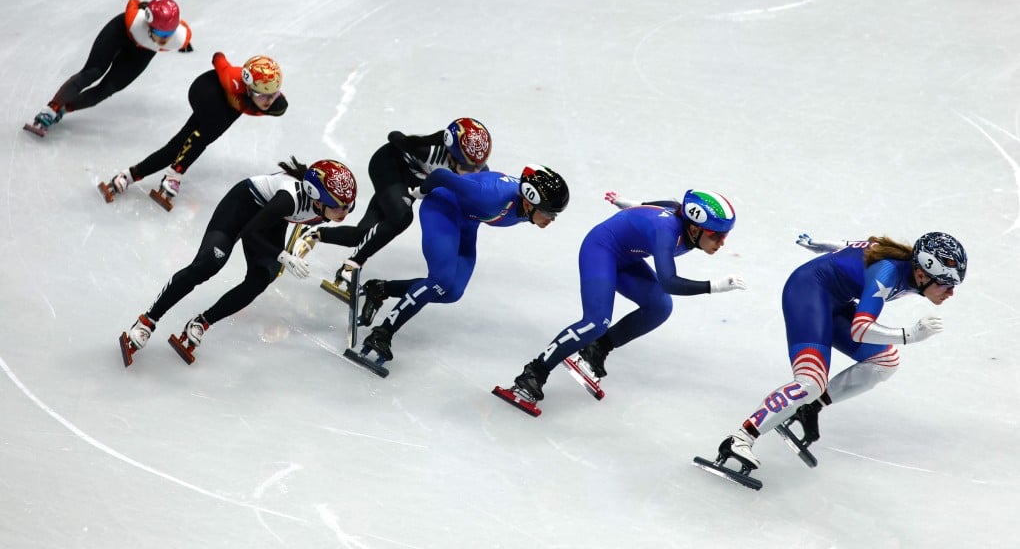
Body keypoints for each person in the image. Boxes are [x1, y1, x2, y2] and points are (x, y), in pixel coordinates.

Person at [712, 231, 967, 474]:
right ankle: (739, 439)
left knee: (885, 361)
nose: (951, 293)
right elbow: (860, 329)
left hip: (835, 300)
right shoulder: (888, 272)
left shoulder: (908, 265)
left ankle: (810, 407)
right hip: (807, 293)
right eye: (946, 285)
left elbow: (861, 248)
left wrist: (825, 246)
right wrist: (909, 335)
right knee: (810, 382)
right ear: (922, 274)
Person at [498, 189, 747, 408]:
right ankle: (534, 374)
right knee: (596, 321)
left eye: (725, 235)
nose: (722, 242)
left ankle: (595, 350)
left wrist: (627, 203)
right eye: (716, 235)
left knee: (660, 306)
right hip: (601, 249)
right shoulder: (667, 232)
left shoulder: (681, 217)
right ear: (694, 228)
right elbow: (668, 281)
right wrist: (714, 286)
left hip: (626, 257)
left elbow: (658, 205)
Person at [118, 157, 358, 367]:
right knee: (208, 264)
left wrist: (286, 252)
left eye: (349, 206)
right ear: (317, 199)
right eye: (340, 207)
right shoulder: (289, 198)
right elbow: (251, 232)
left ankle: (202, 322)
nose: (345, 213)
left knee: (262, 277)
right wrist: (284, 255)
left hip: (271, 219)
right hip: (241, 207)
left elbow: (289, 224)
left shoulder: (326, 210)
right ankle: (147, 321)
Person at [353, 164, 570, 366]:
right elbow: (441, 175)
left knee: (452, 291)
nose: (551, 219)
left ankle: (381, 289)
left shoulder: (526, 207)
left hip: (468, 221)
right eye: (550, 213)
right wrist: (419, 192)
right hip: (442, 210)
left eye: (556, 215)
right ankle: (383, 333)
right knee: (440, 280)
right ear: (528, 201)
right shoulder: (489, 195)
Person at [298, 117, 492, 300]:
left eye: (479, 165)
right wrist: (408, 141)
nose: (474, 172)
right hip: (388, 165)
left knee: (363, 235)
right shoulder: (429, 151)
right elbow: (394, 136)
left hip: (411, 179)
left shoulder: (477, 168)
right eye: (467, 166)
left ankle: (313, 233)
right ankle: (351, 266)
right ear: (450, 154)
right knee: (402, 217)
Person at [97, 52, 287, 209]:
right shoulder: (232, 80)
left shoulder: (275, 105)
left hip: (228, 109)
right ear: (248, 88)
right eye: (263, 96)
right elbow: (218, 58)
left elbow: (269, 100)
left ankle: (128, 176)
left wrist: (267, 97)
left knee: (177, 146)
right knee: (210, 129)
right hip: (207, 90)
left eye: (274, 94)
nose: (269, 101)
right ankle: (175, 174)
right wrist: (219, 58)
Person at [25, 0, 194, 136]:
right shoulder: (134, 21)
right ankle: (50, 109)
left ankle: (63, 109)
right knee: (92, 72)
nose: (165, 40)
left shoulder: (178, 38)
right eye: (161, 34)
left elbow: (175, 38)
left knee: (107, 89)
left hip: (142, 52)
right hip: (120, 33)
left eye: (169, 34)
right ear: (148, 24)